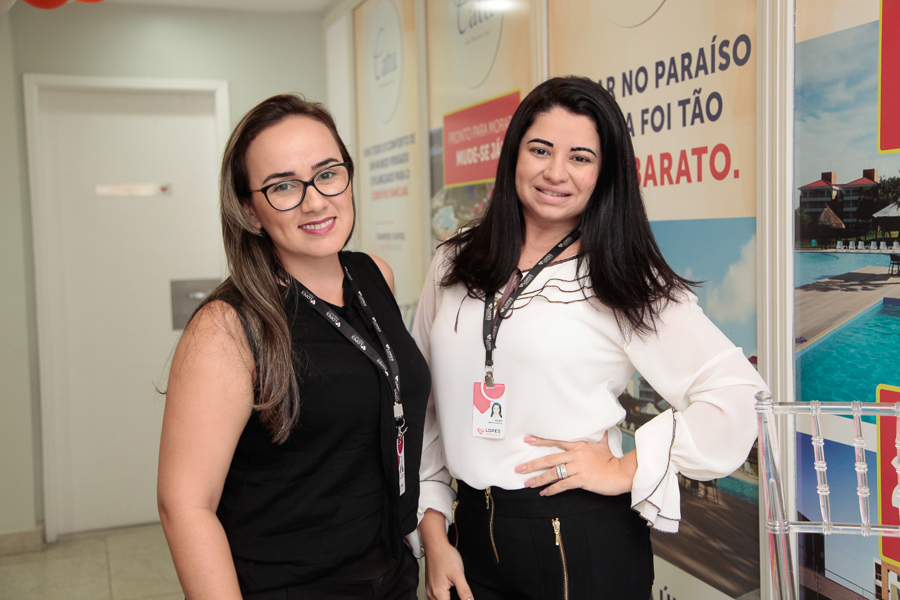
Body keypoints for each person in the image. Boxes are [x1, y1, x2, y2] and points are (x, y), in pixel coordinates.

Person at [412, 76, 768, 600]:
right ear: (513, 155)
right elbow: (423, 404)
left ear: (605, 172)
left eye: (580, 157)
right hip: (469, 540)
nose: (556, 172)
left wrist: (627, 467)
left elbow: (739, 395)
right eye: (540, 150)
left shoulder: (621, 274)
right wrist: (434, 532)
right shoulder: (453, 260)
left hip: (576, 541)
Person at [157, 94, 429, 599]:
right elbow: (185, 505)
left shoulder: (375, 276)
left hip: (393, 575)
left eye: (327, 174)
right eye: (283, 186)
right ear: (250, 211)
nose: (315, 201)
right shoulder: (228, 326)